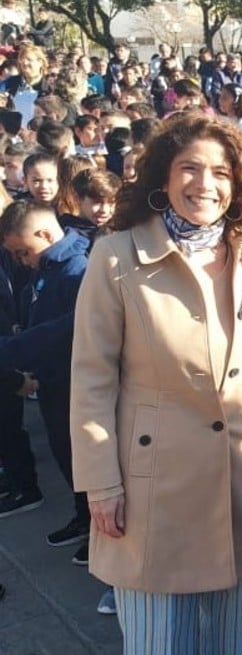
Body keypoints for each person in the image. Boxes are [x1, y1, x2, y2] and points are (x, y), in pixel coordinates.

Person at [70, 112, 242, 653]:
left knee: (237, 643)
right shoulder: (116, 256)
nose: (205, 184)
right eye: (190, 168)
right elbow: (91, 377)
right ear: (163, 177)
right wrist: (102, 484)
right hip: (152, 487)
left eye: (221, 172)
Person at [0, 201, 89, 555]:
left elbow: (63, 333)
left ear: (45, 234)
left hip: (76, 387)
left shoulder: (77, 273)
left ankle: (101, 532)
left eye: (25, 252)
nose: (23, 261)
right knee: (66, 458)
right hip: (53, 387)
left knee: (83, 462)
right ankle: (84, 517)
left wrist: (12, 350)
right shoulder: (47, 268)